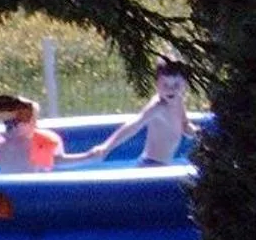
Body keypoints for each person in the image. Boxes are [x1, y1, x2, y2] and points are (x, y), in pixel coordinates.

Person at [60, 57, 194, 166]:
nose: (170, 90)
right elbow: (134, 125)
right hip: (151, 165)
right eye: (165, 85)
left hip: (163, 164)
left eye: (176, 85)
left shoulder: (178, 101)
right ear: (157, 85)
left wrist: (198, 134)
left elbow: (185, 125)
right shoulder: (158, 106)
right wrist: (107, 146)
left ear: (185, 85)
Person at [0, 102, 64, 173]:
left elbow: (57, 161)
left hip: (31, 188)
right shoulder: (0, 144)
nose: (14, 124)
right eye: (9, 120)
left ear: (33, 123)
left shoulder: (39, 142)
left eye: (21, 119)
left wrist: (80, 157)